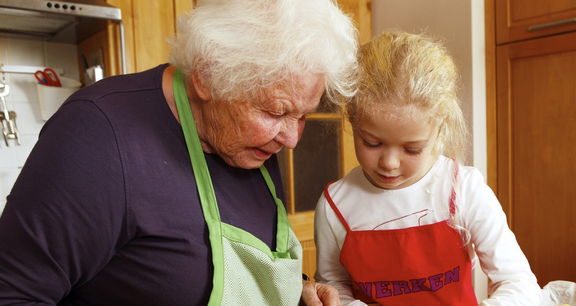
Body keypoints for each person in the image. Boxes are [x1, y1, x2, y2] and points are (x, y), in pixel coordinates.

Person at [0, 0, 356, 305]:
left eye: (303, 115)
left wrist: (297, 292)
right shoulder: (98, 136)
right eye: (276, 112)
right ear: (206, 75)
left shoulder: (251, 145)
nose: (292, 138)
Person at [313, 32, 542, 305]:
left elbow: (518, 281)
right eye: (372, 143)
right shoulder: (335, 205)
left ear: (439, 132)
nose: (389, 163)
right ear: (352, 121)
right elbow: (333, 287)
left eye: (412, 149)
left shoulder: (463, 189)